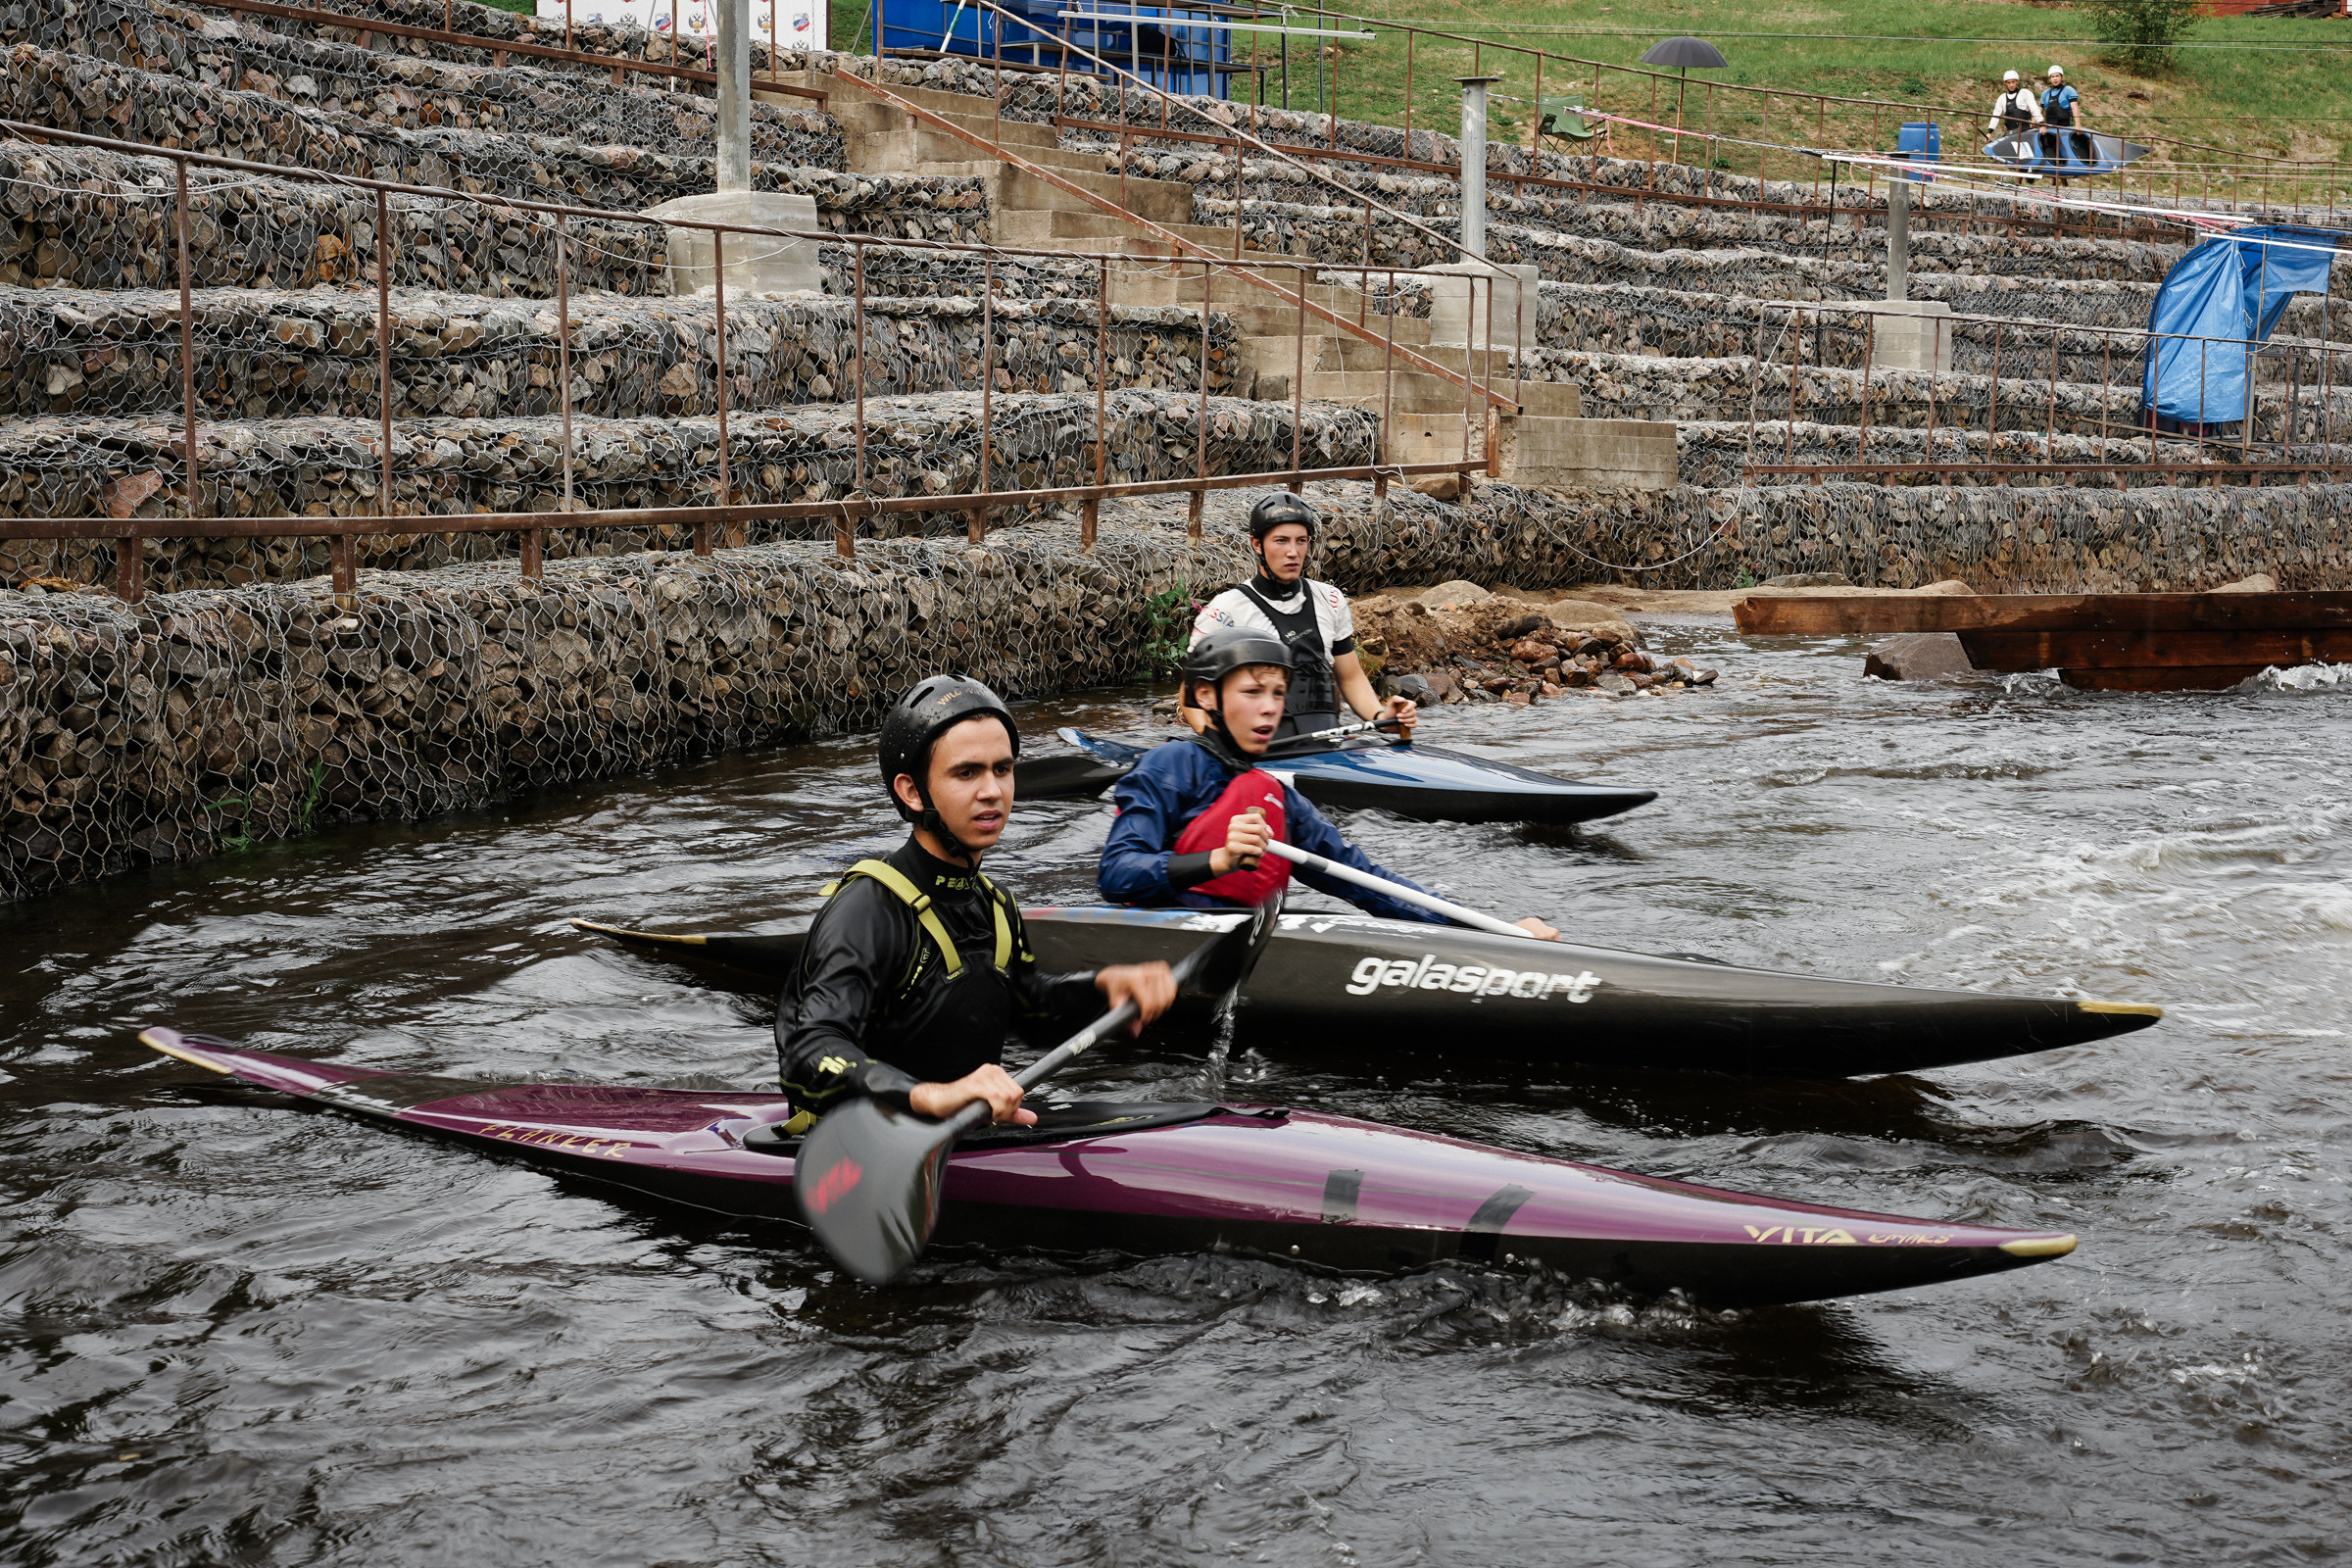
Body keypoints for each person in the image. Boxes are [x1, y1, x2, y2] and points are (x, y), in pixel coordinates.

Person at [779, 675, 1178, 1128]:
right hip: (866, 1149)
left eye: (1002, 769)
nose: (992, 790)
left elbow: (1030, 1010)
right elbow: (809, 1050)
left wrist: (1101, 989)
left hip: (963, 1136)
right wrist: (929, 1096)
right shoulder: (868, 910)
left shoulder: (995, 905)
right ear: (912, 791)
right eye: (967, 772)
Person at [1102, 629, 1560, 938]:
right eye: (1252, 692)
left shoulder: (1278, 796)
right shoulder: (1169, 765)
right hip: (1161, 937)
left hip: (1246, 936)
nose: (1269, 709)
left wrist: (1496, 932)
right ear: (1207, 696)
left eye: (1277, 694)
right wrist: (1217, 860)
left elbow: (1368, 884)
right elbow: (1117, 876)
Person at [1183, 493, 1416, 744]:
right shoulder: (1226, 609)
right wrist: (1222, 747)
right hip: (1263, 753)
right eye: (1281, 541)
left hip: (1327, 746)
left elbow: (1350, 677)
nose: (1293, 552)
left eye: (1301, 541)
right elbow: (1192, 697)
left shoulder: (1330, 598)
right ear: (1257, 544)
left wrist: (1383, 718)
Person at [2039, 66, 2091, 172]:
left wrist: (2078, 126)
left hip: (2065, 129)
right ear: (2050, 79)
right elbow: (2039, 110)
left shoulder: (2068, 90)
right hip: (2050, 130)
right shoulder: (2045, 94)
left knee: (2063, 155)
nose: (2055, 79)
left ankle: (2062, 180)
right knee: (2053, 154)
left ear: (2062, 77)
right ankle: (2055, 182)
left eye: (2057, 76)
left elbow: (2074, 107)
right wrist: (2035, 121)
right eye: (2053, 76)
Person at [1986, 70, 2041, 136]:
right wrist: (1989, 132)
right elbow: (1996, 116)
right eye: (2009, 83)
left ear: (2017, 82)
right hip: (2010, 133)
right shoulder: (2002, 98)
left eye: (2013, 82)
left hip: (2025, 132)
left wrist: (2041, 123)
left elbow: (2034, 109)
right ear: (2005, 83)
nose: (2011, 85)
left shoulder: (2025, 93)